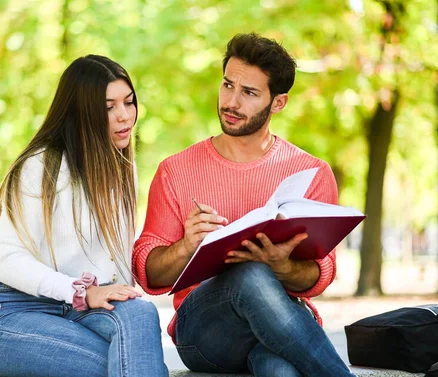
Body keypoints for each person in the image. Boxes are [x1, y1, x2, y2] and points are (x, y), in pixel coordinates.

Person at [133, 33, 356, 377]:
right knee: (249, 272)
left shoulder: (311, 173)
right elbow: (147, 273)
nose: (231, 102)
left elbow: (319, 273)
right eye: (227, 85)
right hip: (206, 336)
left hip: (280, 330)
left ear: (278, 103)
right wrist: (186, 246)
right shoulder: (174, 170)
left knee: (279, 370)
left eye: (249, 93)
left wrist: (280, 267)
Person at [0, 55, 168, 377]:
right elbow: (4, 257)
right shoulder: (41, 166)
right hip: (9, 310)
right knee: (122, 364)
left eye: (129, 103)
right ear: (82, 113)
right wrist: (81, 291)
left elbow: (113, 265)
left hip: (78, 311)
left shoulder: (121, 167)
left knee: (140, 317)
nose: (124, 116)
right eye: (108, 107)